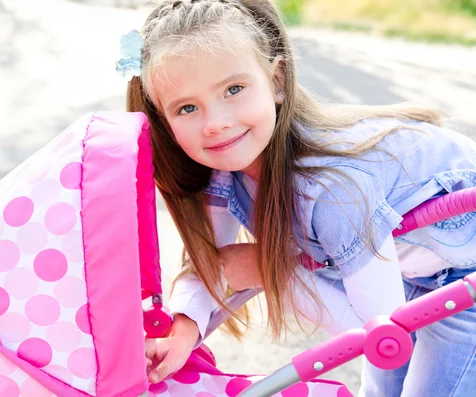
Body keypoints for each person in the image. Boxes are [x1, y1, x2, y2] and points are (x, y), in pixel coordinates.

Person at [121, 0, 476, 395]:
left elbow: (382, 333)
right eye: (187, 108)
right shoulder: (223, 172)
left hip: (464, 279)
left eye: (233, 89)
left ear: (277, 80)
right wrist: (182, 330)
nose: (216, 122)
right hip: (412, 279)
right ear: (164, 123)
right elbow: (213, 263)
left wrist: (273, 271)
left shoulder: (330, 190)